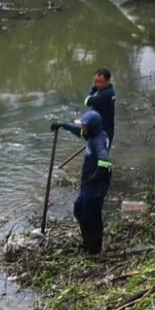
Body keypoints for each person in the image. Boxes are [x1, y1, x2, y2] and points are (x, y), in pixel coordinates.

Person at [52, 110, 111, 255]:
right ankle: (88, 241)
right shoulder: (92, 134)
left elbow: (106, 161)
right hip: (87, 183)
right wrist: (63, 125)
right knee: (79, 209)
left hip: (96, 185)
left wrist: (95, 176)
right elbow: (79, 131)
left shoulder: (98, 140)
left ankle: (94, 249)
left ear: (91, 127)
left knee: (91, 217)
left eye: (84, 126)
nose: (82, 128)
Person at [84, 69, 115, 145]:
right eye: (95, 82)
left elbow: (87, 102)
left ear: (107, 81)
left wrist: (92, 90)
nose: (97, 84)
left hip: (104, 132)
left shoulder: (107, 93)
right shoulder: (103, 91)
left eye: (100, 82)